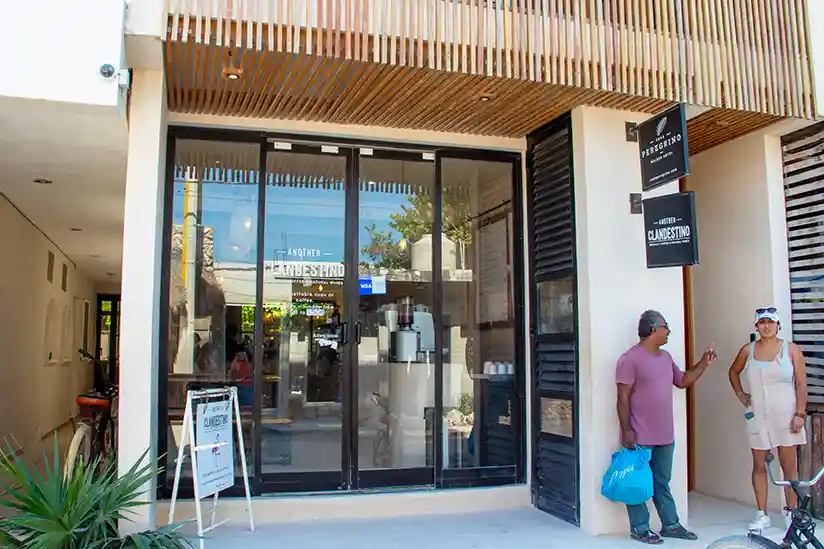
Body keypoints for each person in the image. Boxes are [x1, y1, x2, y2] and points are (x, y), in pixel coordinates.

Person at [616, 310, 717, 545]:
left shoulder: (665, 357)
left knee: (662, 482)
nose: (669, 331)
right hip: (639, 435)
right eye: (666, 327)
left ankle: (671, 525)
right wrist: (627, 430)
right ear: (653, 329)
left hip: (664, 435)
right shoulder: (629, 359)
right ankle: (640, 528)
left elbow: (682, 381)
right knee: (637, 484)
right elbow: (622, 398)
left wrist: (703, 363)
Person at [728, 307, 808, 532]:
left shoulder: (791, 350)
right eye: (762, 322)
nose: (766, 326)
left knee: (788, 466)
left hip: (786, 414)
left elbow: (801, 383)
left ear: (777, 325)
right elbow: (733, 371)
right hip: (758, 415)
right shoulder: (748, 350)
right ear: (756, 326)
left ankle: (792, 513)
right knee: (759, 463)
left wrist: (800, 413)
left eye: (770, 322)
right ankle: (762, 513)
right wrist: (741, 394)